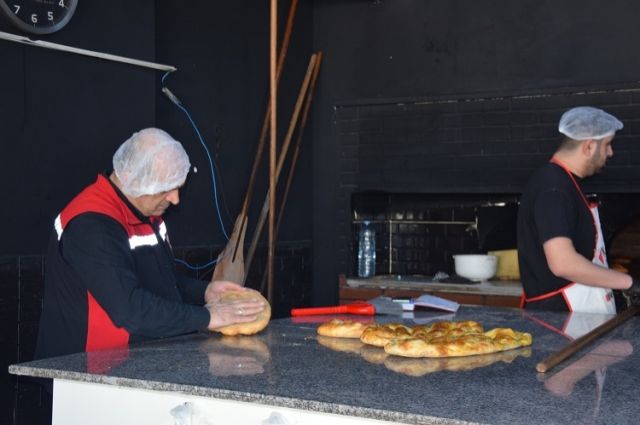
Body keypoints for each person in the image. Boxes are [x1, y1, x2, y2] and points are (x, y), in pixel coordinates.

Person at [35, 128, 266, 362]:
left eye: (178, 187)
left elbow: (157, 282)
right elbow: (130, 308)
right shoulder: (91, 225)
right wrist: (207, 318)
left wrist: (204, 291)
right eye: (166, 189)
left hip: (133, 364)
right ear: (135, 180)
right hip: (87, 372)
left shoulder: (144, 210)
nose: (175, 199)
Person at [517, 106, 640, 313]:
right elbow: (563, 263)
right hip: (558, 320)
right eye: (608, 145)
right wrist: (629, 282)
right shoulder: (552, 186)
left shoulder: (565, 182)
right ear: (589, 146)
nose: (611, 152)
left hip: (576, 317)